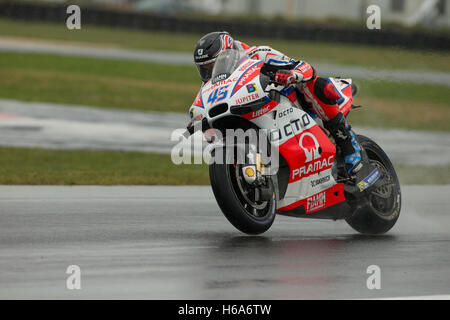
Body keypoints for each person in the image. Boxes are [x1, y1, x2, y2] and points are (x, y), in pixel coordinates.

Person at [192, 31, 379, 187]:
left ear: (229, 53)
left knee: (315, 84)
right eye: (204, 69)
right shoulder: (211, 86)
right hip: (252, 112)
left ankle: (349, 146)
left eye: (212, 66)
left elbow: (305, 68)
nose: (209, 73)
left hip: (292, 103)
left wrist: (292, 74)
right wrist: (195, 122)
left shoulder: (259, 54)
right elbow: (197, 108)